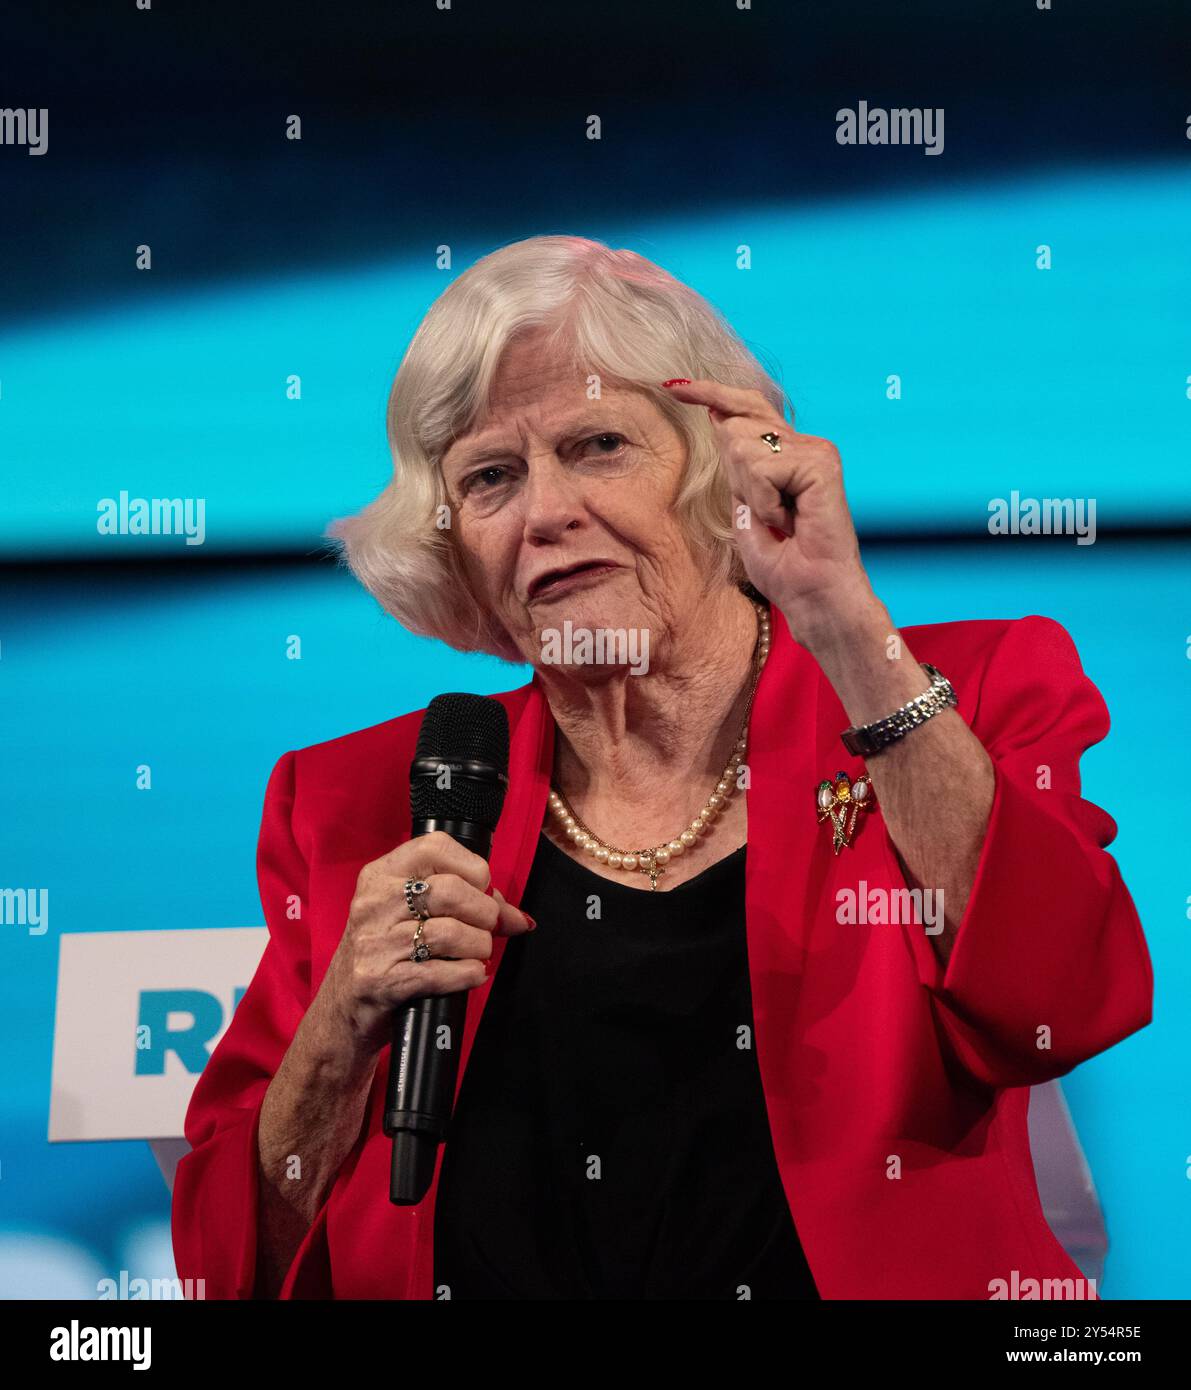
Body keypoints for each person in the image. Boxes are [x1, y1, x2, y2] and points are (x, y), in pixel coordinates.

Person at [171, 234, 1152, 1299]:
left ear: (721, 464)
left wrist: (842, 623)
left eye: (597, 444)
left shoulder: (960, 687)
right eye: (492, 476)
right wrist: (335, 1038)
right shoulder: (364, 801)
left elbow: (1065, 1004)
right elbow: (227, 1263)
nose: (547, 511)